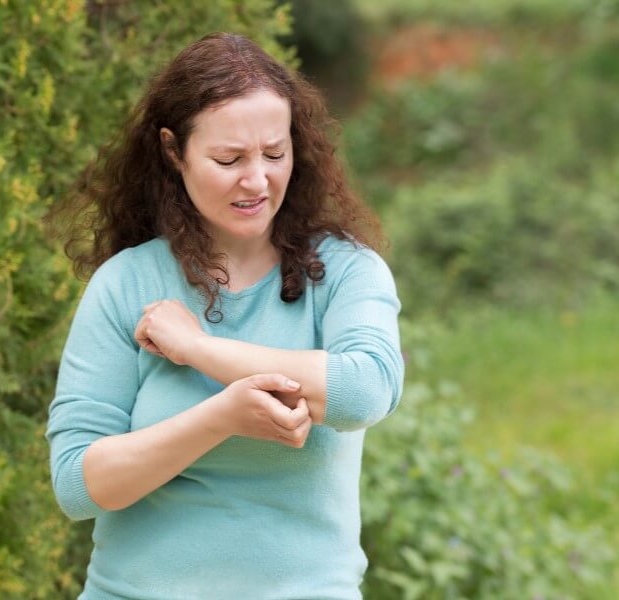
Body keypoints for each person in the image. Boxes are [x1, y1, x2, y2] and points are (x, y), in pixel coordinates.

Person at [44, 32, 404, 599]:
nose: (257, 180)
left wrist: (200, 351)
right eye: (228, 159)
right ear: (173, 151)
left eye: (274, 153)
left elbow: (363, 392)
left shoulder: (345, 272)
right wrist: (222, 418)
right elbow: (77, 485)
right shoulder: (127, 284)